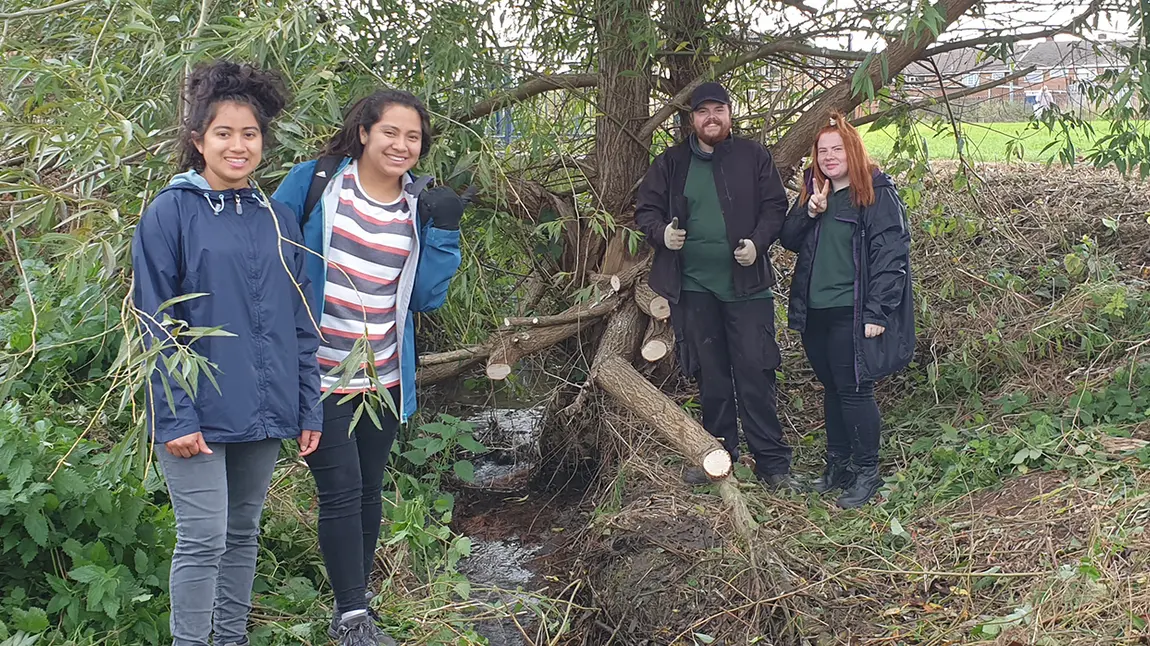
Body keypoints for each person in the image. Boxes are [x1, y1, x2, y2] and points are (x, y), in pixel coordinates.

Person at [132, 61, 322, 646]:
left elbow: (301, 319)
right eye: (223, 133)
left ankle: (231, 638)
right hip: (195, 412)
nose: (238, 146)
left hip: (262, 408)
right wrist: (176, 415)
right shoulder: (172, 212)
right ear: (198, 141)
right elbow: (155, 319)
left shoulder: (277, 217)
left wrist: (306, 404)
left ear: (263, 140)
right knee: (203, 537)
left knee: (242, 532)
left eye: (250, 134)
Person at [273, 89, 467, 646]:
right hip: (319, 373)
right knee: (341, 489)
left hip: (382, 376)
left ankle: (355, 601)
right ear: (364, 132)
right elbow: (271, 260)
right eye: (390, 132)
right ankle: (352, 616)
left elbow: (426, 298)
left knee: (369, 489)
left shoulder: (418, 204)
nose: (401, 145)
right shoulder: (315, 184)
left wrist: (445, 232)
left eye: (413, 137)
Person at [634, 81, 799, 490]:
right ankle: (720, 454)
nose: (712, 117)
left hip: (748, 287)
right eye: (703, 111)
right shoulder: (671, 162)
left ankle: (772, 464)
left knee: (755, 371)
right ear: (692, 119)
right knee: (711, 375)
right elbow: (646, 210)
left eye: (718, 110)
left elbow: (775, 207)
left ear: (730, 114)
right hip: (694, 288)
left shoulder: (753, 156)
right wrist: (661, 234)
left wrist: (757, 243)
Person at [779, 113, 915, 509]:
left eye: (837, 149)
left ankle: (866, 472)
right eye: (822, 151)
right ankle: (836, 467)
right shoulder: (815, 193)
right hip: (815, 312)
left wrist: (878, 312)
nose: (829, 157)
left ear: (852, 151)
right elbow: (788, 239)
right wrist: (810, 211)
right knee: (833, 389)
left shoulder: (874, 193)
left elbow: (891, 256)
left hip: (852, 312)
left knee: (855, 390)